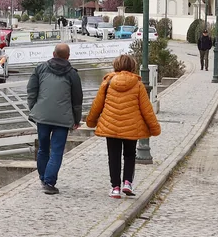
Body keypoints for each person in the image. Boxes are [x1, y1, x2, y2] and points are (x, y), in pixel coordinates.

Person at [85, 53, 161, 199]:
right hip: (132, 126)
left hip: (110, 125)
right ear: (132, 66)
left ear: (116, 66)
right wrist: (154, 128)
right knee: (130, 155)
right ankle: (127, 183)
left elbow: (97, 105)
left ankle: (115, 188)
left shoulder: (107, 82)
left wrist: (91, 121)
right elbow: (146, 109)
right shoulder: (138, 84)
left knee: (113, 156)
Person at [26, 43, 83, 195]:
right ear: (68, 57)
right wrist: (76, 119)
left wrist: (34, 109)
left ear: (53, 54)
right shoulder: (72, 74)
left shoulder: (40, 68)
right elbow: (77, 99)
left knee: (43, 148)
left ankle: (43, 178)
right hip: (63, 119)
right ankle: (49, 182)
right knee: (57, 151)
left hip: (42, 116)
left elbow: (31, 90)